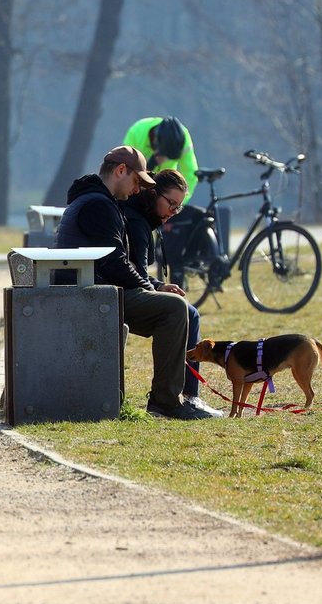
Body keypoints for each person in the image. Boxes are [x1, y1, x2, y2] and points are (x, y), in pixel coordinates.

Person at [52, 145, 214, 420]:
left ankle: (174, 397)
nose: (138, 190)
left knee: (173, 308)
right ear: (120, 171)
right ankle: (167, 401)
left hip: (92, 290)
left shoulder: (97, 201)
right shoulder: (99, 205)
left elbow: (114, 261)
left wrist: (150, 287)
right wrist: (149, 287)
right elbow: (115, 263)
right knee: (175, 308)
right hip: (92, 295)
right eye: (137, 182)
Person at [122, 169, 224, 417]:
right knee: (183, 311)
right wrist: (154, 288)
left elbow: (135, 270)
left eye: (178, 207)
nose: (173, 212)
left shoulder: (146, 218)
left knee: (190, 312)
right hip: (116, 295)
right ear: (154, 193)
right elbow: (126, 270)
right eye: (171, 204)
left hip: (127, 288)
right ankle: (169, 400)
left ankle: (190, 397)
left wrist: (157, 286)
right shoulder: (136, 220)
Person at [122, 116, 198, 205]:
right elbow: (126, 170)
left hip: (164, 191)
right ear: (154, 142)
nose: (165, 160)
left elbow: (190, 174)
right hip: (136, 189)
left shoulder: (183, 138)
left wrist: (177, 203)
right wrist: (151, 164)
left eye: (169, 157)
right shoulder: (137, 132)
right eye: (163, 155)